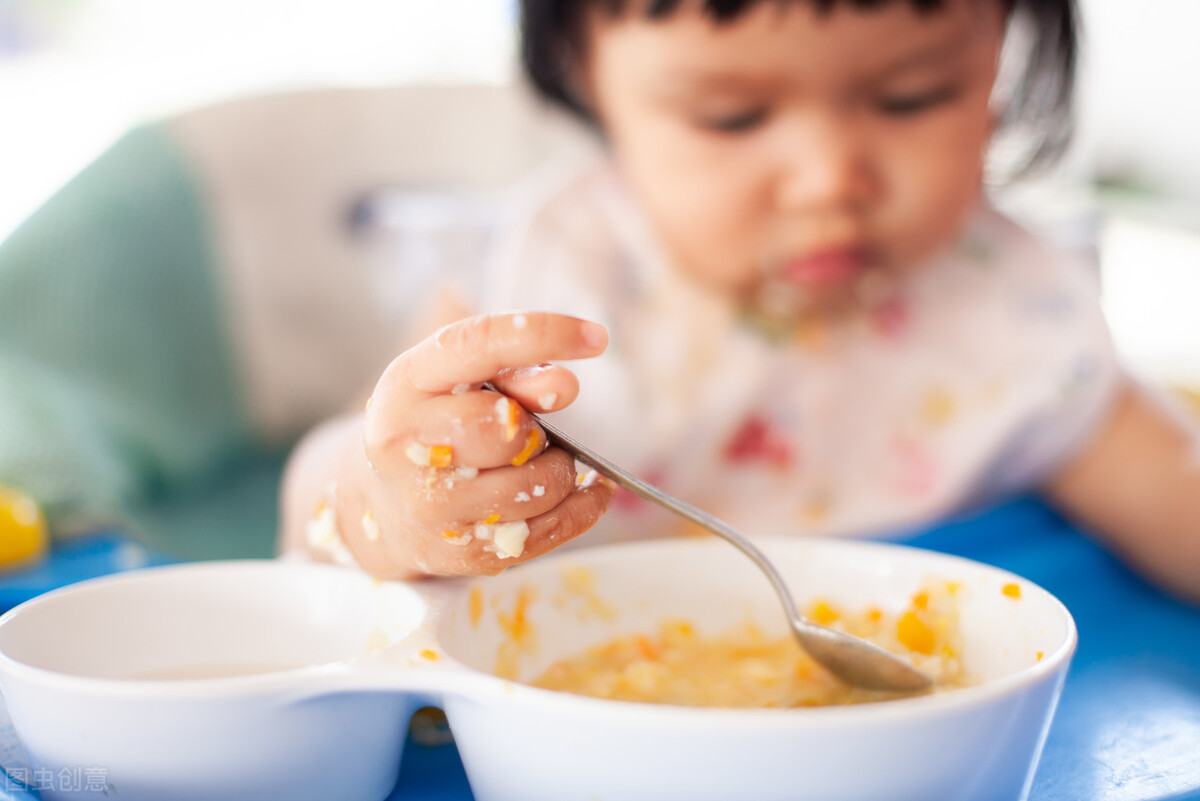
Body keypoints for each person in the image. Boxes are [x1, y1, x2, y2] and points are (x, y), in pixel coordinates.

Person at [278, 0, 1200, 602]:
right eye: (733, 117)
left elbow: (1174, 492)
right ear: (586, 72)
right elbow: (317, 511)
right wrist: (384, 507)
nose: (828, 178)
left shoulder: (1012, 313)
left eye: (911, 97)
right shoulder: (526, 286)